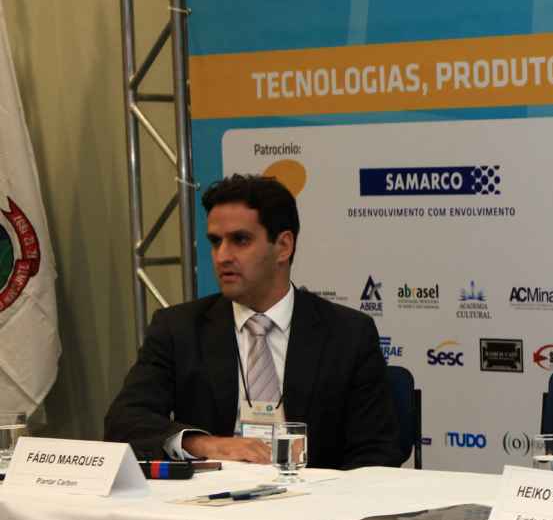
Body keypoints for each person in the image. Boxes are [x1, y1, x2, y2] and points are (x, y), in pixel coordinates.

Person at [104, 174, 404, 469]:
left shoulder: (348, 333)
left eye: (240, 240)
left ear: (283, 246)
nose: (222, 256)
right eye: (215, 242)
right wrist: (205, 445)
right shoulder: (178, 329)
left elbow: (378, 451)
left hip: (315, 495)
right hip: (212, 495)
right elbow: (124, 421)